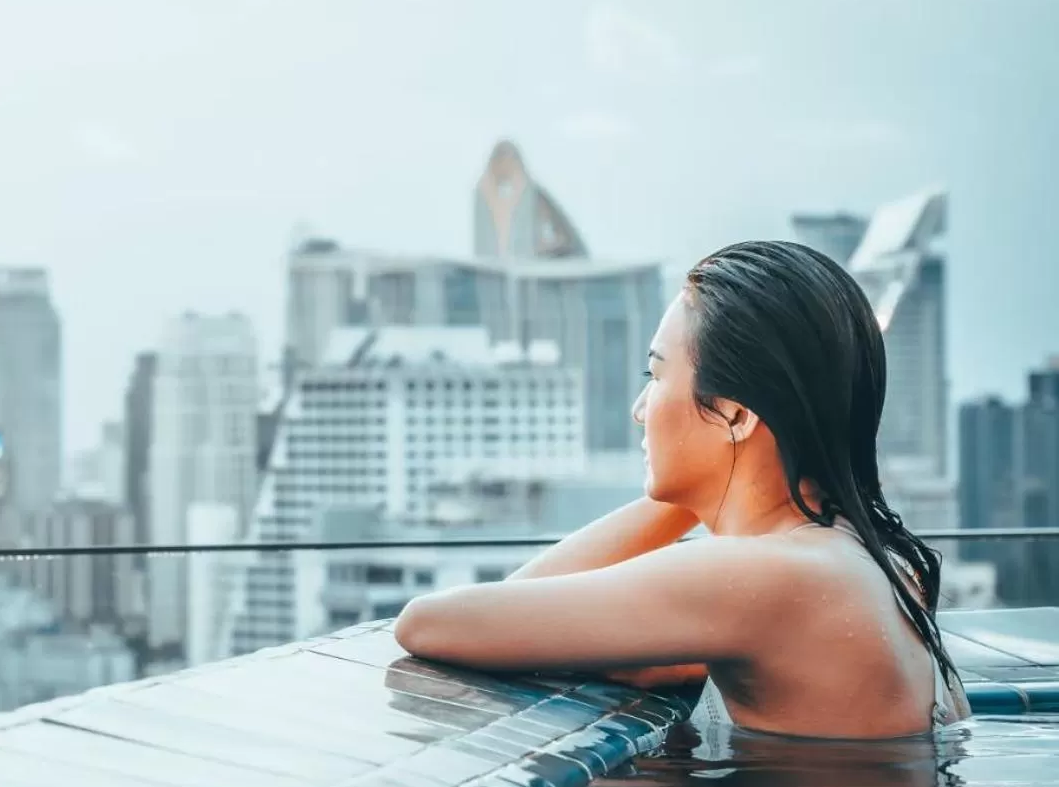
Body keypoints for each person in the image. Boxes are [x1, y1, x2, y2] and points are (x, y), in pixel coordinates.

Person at [393, 240, 968, 738]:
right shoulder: (876, 562)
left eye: (656, 375)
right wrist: (696, 490)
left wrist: (676, 499)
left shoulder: (761, 575)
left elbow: (432, 625)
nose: (640, 409)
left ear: (733, 414)